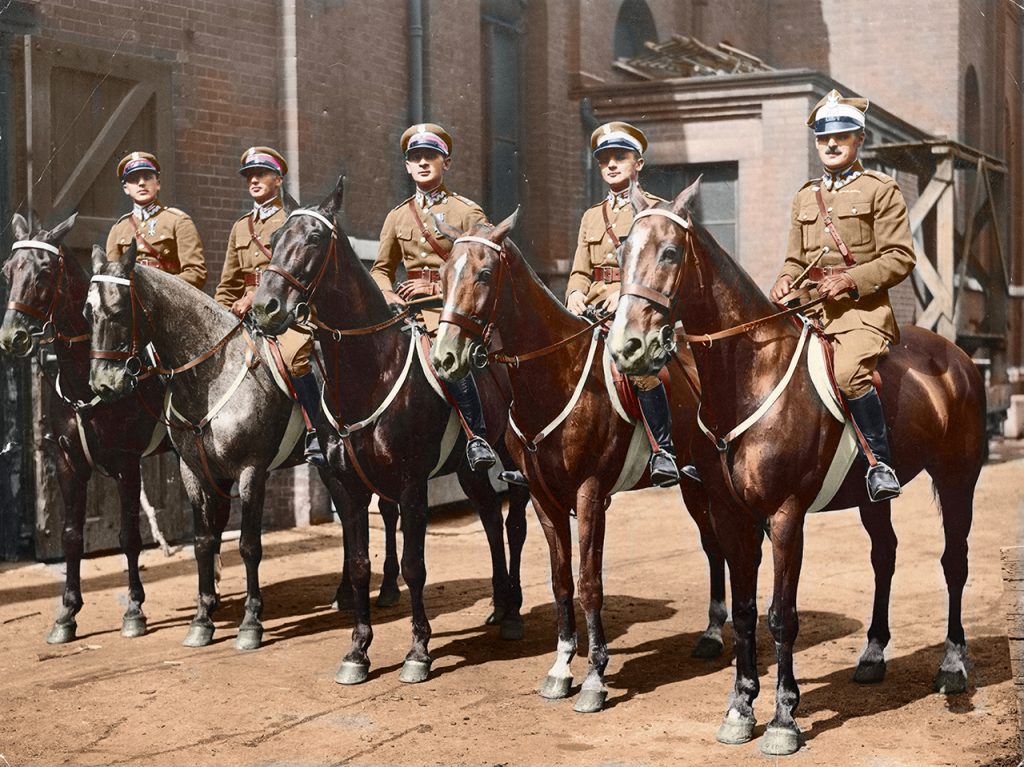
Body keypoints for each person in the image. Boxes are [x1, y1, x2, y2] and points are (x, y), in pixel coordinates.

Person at [769, 89, 916, 502]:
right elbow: (795, 260)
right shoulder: (804, 195)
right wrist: (785, 277)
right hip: (808, 307)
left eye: (842, 136)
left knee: (850, 372)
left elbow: (900, 257)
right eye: (822, 138)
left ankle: (879, 464)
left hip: (860, 312)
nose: (831, 144)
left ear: (860, 139)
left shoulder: (880, 190)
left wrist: (851, 280)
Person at [370, 123, 497, 473]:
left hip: (451, 310)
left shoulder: (467, 213)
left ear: (447, 163)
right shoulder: (397, 216)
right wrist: (386, 292)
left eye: (431, 156)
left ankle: (477, 438)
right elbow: (381, 268)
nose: (423, 163)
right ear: (407, 166)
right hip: (404, 312)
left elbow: (481, 269)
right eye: (415, 158)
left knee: (447, 358)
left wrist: (436, 290)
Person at [566, 121, 681, 487]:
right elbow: (580, 270)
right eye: (605, 160)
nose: (612, 165)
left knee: (639, 367)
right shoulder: (590, 216)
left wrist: (624, 294)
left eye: (621, 157)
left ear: (639, 164)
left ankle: (663, 451)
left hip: (638, 313)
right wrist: (574, 293)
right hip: (592, 313)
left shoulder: (656, 213)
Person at [213, 146, 325, 467]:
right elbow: (228, 282)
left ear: (278, 178)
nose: (254, 180)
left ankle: (316, 429)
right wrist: (221, 315)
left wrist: (255, 294)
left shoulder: (293, 219)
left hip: (285, 313)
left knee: (293, 358)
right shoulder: (241, 227)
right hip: (247, 316)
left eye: (261, 174)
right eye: (249, 175)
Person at [107, 152, 207, 290]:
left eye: (147, 177)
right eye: (134, 179)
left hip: (169, 299)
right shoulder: (118, 229)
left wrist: (157, 287)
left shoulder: (178, 221)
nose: (141, 183)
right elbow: (111, 277)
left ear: (158, 184)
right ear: (126, 189)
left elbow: (196, 273)